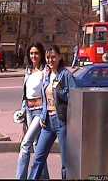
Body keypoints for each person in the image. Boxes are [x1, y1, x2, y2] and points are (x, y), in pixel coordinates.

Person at [28, 44, 77, 179]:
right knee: (38, 157)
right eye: (48, 57)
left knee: (65, 161)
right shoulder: (47, 74)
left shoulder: (66, 75)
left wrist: (60, 91)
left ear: (60, 58)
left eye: (53, 57)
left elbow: (75, 96)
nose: (50, 60)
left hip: (62, 121)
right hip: (48, 122)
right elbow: (45, 98)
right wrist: (43, 116)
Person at [16, 42, 49, 179]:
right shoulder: (29, 71)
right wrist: (23, 113)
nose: (33, 56)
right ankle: (44, 177)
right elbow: (25, 94)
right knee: (36, 145)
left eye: (36, 53)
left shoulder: (45, 71)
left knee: (25, 145)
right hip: (29, 111)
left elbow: (48, 93)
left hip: (39, 111)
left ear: (41, 54)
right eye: (31, 53)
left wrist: (44, 115)